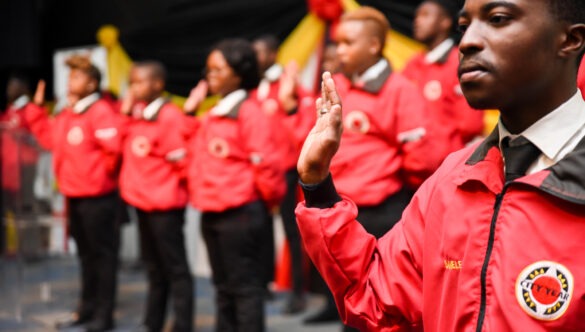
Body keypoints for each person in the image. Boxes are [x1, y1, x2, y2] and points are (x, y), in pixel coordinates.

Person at [295, 0, 585, 330]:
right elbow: (376, 298)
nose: (468, 41)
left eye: (498, 18)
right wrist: (317, 185)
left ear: (569, 40)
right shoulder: (452, 178)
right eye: (464, 26)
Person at [304, 6, 443, 326]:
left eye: (348, 43)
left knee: (381, 307)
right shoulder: (337, 85)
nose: (340, 50)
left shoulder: (399, 89)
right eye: (338, 42)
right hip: (341, 206)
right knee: (348, 300)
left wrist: (388, 183)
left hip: (382, 211)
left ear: (373, 46)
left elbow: (421, 160)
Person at [186, 38, 285, 331]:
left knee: (244, 291)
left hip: (240, 213)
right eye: (209, 70)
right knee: (223, 290)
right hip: (213, 212)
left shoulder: (250, 112)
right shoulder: (214, 112)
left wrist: (262, 203)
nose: (210, 75)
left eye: (218, 69)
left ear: (239, 74)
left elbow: (267, 166)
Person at [23, 55, 123, 332]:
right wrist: (37, 110)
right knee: (86, 257)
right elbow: (49, 139)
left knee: (103, 259)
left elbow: (113, 151)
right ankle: (86, 309)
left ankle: (104, 316)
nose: (70, 82)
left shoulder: (100, 111)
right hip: (75, 196)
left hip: (98, 198)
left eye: (77, 77)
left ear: (92, 83)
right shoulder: (68, 112)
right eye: (70, 77)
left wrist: (100, 179)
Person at [118, 61, 194, 332]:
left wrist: (170, 190)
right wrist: (126, 114)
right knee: (154, 268)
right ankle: (153, 322)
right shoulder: (138, 114)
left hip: (164, 206)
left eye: (139, 82)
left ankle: (183, 325)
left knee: (176, 270)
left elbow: (181, 162)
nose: (134, 87)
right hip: (143, 204)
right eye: (132, 82)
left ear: (158, 84)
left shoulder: (169, 116)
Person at [252, 35, 315, 314]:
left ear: (274, 54)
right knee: (261, 227)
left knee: (292, 231)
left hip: (287, 168)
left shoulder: (289, 86)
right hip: (262, 169)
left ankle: (298, 291)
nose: (255, 58)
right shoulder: (257, 87)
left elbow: (301, 121)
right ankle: (264, 284)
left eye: (260, 52)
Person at [403, 0, 484, 152]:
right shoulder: (412, 64)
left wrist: (444, 151)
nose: (417, 21)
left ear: (444, 22)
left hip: (450, 162)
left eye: (425, 15)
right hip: (413, 163)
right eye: (417, 16)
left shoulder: (460, 62)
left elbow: (470, 125)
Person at [1, 74, 39, 213]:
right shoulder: (10, 110)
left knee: (25, 208)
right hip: (9, 168)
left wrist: (25, 137)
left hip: (25, 165)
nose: (9, 89)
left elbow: (39, 137)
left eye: (12, 85)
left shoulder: (30, 109)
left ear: (23, 88)